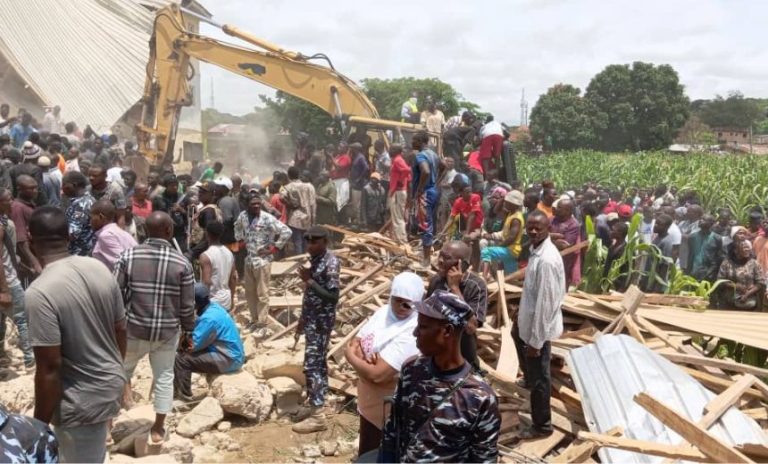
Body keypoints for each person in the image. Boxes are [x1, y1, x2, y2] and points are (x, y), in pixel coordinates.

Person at [26, 206, 127, 463]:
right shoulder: (99, 268)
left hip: (80, 401)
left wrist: (38, 426)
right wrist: (115, 372)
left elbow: (50, 368)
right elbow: (120, 329)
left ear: (29, 239)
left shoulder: (39, 293)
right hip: (109, 384)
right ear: (69, 236)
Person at [379, 291, 500, 463]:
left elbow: (484, 459)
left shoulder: (480, 398)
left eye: (422, 327)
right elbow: (393, 431)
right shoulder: (412, 370)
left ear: (447, 331)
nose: (415, 333)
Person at [113, 211, 195, 446]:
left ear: (144, 231)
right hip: (166, 334)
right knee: (164, 378)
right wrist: (188, 334)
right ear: (169, 232)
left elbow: (114, 295)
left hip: (132, 331)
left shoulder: (127, 256)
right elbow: (187, 306)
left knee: (119, 376)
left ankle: (107, 427)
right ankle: (158, 430)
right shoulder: (182, 263)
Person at [344, 271, 424, 457]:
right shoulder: (382, 314)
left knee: (386, 453)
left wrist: (351, 357)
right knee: (367, 452)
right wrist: (363, 360)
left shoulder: (413, 329)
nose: (403, 307)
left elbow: (378, 374)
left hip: (390, 409)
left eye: (409, 303)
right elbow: (356, 342)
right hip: (368, 402)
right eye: (398, 300)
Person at [514, 210, 565, 439]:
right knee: (518, 339)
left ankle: (542, 426)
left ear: (547, 229)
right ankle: (528, 375)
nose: (533, 231)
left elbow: (545, 307)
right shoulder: (536, 250)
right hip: (528, 322)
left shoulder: (546, 260)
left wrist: (535, 342)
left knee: (540, 379)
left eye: (538, 228)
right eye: (530, 227)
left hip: (538, 330)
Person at [293, 226, 340, 434]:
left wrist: (309, 281)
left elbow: (333, 296)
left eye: (315, 242)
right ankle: (318, 403)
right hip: (312, 319)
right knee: (318, 363)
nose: (310, 246)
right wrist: (302, 320)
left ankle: (318, 416)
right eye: (308, 242)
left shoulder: (330, 262)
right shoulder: (316, 260)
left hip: (321, 322)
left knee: (312, 365)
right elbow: (310, 295)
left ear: (325, 242)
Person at [174, 283, 245, 401]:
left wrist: (173, 345)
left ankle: (183, 399)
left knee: (181, 359)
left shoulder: (209, 319)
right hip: (232, 354)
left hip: (229, 359)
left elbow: (190, 346)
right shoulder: (214, 308)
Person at [426, 241, 487, 372]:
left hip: (462, 358)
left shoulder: (476, 286)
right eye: (440, 255)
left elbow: (471, 327)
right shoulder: (436, 281)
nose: (440, 260)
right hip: (436, 356)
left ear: (461, 264)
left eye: (447, 258)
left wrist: (455, 288)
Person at [234, 194, 291, 335]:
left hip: (263, 262)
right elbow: (237, 227)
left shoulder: (266, 218)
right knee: (250, 293)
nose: (256, 206)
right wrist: (240, 240)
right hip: (249, 260)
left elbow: (286, 231)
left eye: (258, 203)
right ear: (247, 204)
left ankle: (262, 323)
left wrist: (274, 248)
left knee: (263, 294)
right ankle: (254, 321)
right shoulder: (243, 216)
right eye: (253, 204)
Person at [0, 188, 33, 368]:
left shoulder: (6, 223)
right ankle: (30, 358)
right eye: (7, 200)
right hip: (7, 281)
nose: (11, 203)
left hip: (7, 277)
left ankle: (1, 356)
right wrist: (4, 290)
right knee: (22, 319)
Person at [409, 131, 439, 268]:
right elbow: (443, 165)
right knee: (430, 223)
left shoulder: (420, 155)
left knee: (425, 224)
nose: (411, 143)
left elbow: (425, 171)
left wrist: (420, 189)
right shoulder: (433, 154)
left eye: (414, 140)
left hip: (425, 193)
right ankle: (427, 254)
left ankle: (426, 260)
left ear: (421, 141)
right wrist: (436, 181)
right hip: (434, 191)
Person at [481, 190, 525, 279]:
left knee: (486, 252)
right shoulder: (510, 214)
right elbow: (496, 210)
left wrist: (501, 246)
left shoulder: (516, 219)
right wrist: (502, 199)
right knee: (511, 277)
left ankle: (484, 277)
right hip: (510, 250)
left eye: (507, 202)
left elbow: (512, 238)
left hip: (511, 250)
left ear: (514, 204)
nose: (505, 203)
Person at [90, 200, 138, 271]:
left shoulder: (106, 236)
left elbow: (122, 263)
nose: (90, 221)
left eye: (91, 217)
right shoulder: (121, 232)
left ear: (101, 217)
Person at [716, 239, 764, 310]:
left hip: (749, 301)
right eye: (744, 247)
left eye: (748, 247)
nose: (747, 249)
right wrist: (735, 286)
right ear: (736, 250)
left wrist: (747, 294)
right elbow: (720, 280)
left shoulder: (754, 263)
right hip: (729, 301)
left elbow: (761, 282)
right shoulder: (726, 263)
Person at [200, 222, 237, 310]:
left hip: (212, 301)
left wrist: (202, 304)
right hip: (226, 300)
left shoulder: (206, 256)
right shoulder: (229, 253)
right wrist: (231, 299)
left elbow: (206, 282)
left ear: (207, 234)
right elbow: (233, 278)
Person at [10, 175, 42, 277]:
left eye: (36, 187)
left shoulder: (29, 204)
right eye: (31, 188)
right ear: (19, 189)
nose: (35, 191)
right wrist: (34, 263)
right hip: (27, 261)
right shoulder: (17, 208)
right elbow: (21, 241)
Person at [281, 166, 316, 255]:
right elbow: (313, 204)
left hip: (294, 219)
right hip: (307, 218)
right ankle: (306, 260)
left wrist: (290, 204)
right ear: (299, 175)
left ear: (288, 176)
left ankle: (299, 263)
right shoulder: (309, 186)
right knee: (306, 242)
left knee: (297, 242)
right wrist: (313, 220)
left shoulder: (287, 187)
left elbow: (282, 198)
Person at [62, 171, 96, 256]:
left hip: (79, 253)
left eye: (64, 185)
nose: (62, 188)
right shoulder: (88, 199)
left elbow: (73, 234)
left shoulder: (81, 205)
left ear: (74, 185)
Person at [550, 198, 581, 288]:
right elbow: (540, 235)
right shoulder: (552, 219)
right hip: (548, 258)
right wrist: (554, 238)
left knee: (559, 285)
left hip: (562, 261)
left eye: (559, 207)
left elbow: (564, 245)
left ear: (568, 211)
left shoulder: (573, 224)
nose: (556, 209)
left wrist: (547, 237)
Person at [648, 214, 678, 292]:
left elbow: (665, 265)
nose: (655, 226)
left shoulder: (666, 241)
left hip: (655, 282)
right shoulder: (658, 237)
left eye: (659, 224)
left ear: (666, 227)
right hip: (650, 278)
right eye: (656, 223)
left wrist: (657, 287)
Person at [690, 214, 723, 282]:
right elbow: (690, 255)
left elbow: (718, 257)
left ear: (711, 223)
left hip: (708, 274)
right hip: (694, 272)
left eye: (704, 219)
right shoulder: (693, 237)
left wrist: (710, 272)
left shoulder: (717, 238)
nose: (700, 221)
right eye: (701, 219)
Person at [388, 144, 410, 244]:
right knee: (397, 216)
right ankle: (398, 239)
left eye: (391, 149)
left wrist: (400, 181)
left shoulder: (398, 160)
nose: (389, 150)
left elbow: (407, 170)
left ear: (396, 151)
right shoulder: (396, 159)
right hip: (397, 191)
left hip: (398, 191)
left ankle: (402, 241)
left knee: (398, 218)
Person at [604, 220, 629, 291]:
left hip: (616, 287)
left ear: (620, 233)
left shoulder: (626, 251)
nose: (610, 232)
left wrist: (621, 289)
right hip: (607, 284)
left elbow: (626, 272)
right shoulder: (612, 247)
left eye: (613, 230)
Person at [348, 143, 369, 226]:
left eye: (352, 148)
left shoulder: (360, 157)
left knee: (357, 203)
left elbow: (366, 168)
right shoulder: (356, 157)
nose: (351, 150)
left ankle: (358, 221)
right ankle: (356, 220)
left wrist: (359, 178)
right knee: (354, 202)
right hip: (355, 183)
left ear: (356, 149)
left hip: (358, 185)